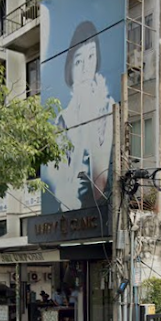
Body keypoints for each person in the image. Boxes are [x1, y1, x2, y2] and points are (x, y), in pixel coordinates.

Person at [42, 20, 114, 214]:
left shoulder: (107, 108)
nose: (85, 69)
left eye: (91, 57)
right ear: (70, 69)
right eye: (78, 61)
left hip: (101, 208)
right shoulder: (62, 120)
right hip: (69, 210)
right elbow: (61, 183)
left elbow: (100, 184)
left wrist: (89, 119)